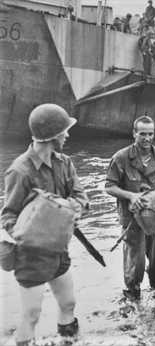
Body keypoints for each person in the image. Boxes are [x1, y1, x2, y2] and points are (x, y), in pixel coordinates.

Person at [1, 104, 89, 345]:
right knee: (31, 315)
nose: (67, 135)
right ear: (52, 136)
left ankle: (67, 341)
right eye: (64, 131)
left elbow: (82, 197)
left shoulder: (65, 163)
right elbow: (8, 216)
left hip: (58, 250)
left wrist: (66, 209)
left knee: (69, 303)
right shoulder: (20, 171)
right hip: (30, 256)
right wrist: (34, 229)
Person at [105, 116, 155, 299]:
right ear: (134, 133)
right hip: (132, 220)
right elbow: (109, 186)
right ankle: (133, 296)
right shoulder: (121, 157)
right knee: (136, 262)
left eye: (150, 134)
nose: (147, 138)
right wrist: (130, 196)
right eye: (142, 134)